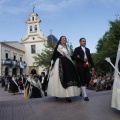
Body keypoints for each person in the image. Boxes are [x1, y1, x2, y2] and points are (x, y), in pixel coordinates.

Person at [47, 36, 80, 102]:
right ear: (60, 40)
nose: (64, 39)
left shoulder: (68, 48)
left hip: (68, 64)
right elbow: (54, 56)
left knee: (69, 78)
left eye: (65, 39)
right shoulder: (58, 46)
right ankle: (57, 93)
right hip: (60, 63)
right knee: (59, 79)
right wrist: (51, 65)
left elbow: (69, 56)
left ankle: (68, 95)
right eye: (63, 39)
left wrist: (76, 57)